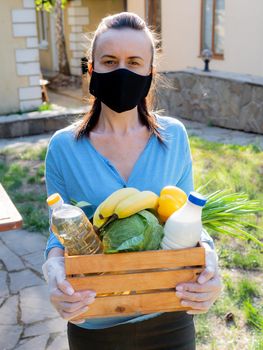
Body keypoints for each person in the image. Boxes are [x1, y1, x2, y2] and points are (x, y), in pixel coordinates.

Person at [42, 12, 222, 350]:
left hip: (169, 315)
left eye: (134, 61)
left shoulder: (174, 138)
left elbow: (187, 217)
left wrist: (210, 259)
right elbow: (58, 234)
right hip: (93, 317)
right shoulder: (64, 148)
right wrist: (52, 273)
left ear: (150, 74)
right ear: (91, 69)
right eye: (109, 61)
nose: (121, 71)